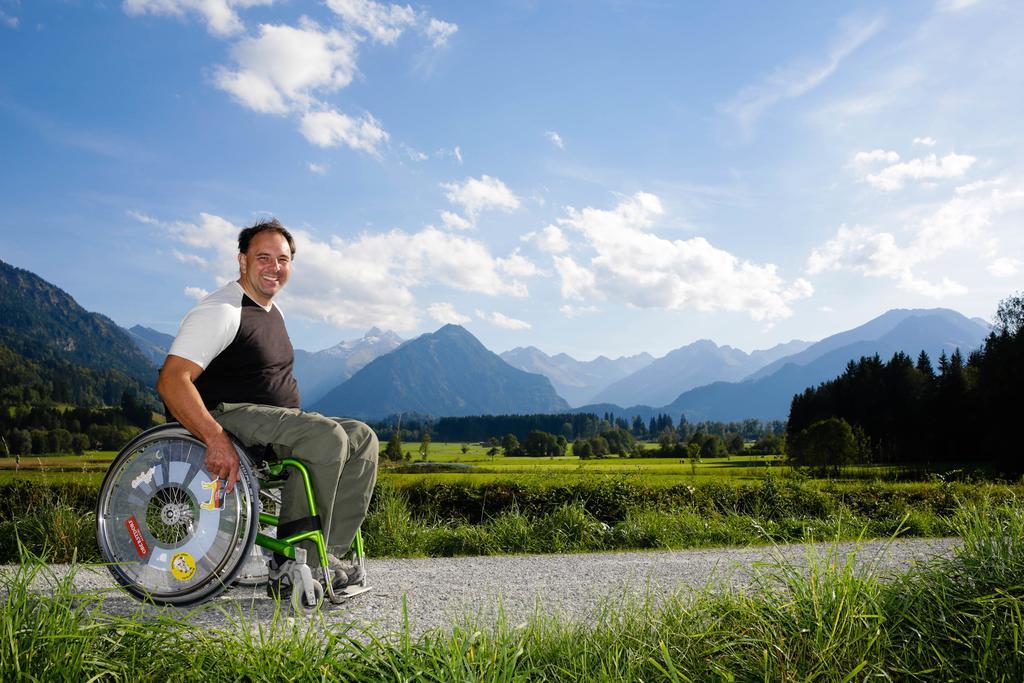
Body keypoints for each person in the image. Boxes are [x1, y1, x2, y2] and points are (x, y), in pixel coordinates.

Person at [157, 218, 378, 598]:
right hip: (224, 415)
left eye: (283, 259)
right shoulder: (223, 311)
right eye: (263, 257)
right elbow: (172, 381)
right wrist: (214, 436)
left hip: (268, 422)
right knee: (326, 437)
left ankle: (329, 555)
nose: (274, 267)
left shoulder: (272, 312)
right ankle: (292, 564)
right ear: (242, 260)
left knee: (362, 437)